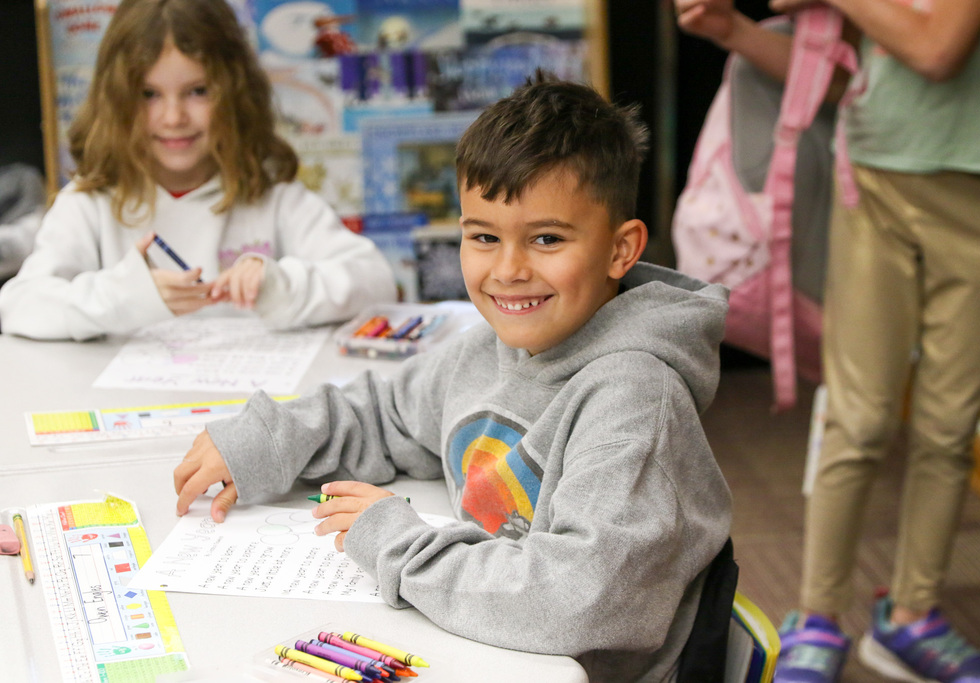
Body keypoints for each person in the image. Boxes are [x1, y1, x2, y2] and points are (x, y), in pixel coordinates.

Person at [172, 72, 733, 682]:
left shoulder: (634, 398)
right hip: (487, 646)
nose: (509, 270)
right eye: (484, 238)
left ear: (620, 251)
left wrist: (400, 546)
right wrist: (267, 440)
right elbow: (386, 415)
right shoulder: (489, 347)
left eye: (546, 239)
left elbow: (580, 600)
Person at [677, 0, 980, 681]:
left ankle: (912, 613)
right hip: (870, 173)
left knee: (949, 421)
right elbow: (850, 77)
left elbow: (936, 48)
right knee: (856, 416)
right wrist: (737, 33)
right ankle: (818, 614)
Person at [0, 0, 395, 341]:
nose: (174, 117)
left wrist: (280, 286)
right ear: (117, 98)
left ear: (235, 93)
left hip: (251, 414)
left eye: (198, 91)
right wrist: (125, 296)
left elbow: (376, 281)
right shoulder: (90, 202)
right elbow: (19, 306)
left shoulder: (271, 195)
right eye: (149, 94)